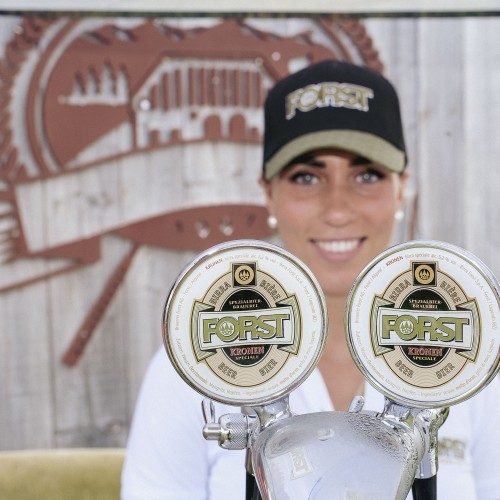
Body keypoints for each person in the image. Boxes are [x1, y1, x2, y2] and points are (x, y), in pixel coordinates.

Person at [121, 60, 500, 499]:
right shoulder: (193, 369)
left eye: (367, 175)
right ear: (268, 193)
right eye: (306, 177)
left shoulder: (474, 364)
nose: (337, 210)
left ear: (401, 188)